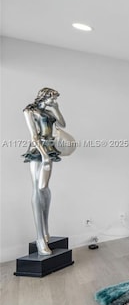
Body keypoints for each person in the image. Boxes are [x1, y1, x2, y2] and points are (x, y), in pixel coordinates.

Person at [23, 87, 70, 255]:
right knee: (37, 189)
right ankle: (39, 238)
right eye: (52, 98)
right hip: (38, 151)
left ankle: (46, 229)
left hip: (49, 148)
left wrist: (56, 108)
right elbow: (34, 136)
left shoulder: (49, 112)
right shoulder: (30, 110)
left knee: (45, 188)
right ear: (45, 96)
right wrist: (44, 156)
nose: (53, 101)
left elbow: (63, 124)